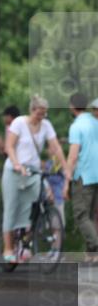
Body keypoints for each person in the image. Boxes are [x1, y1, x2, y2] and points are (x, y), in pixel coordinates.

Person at [0, 95, 70, 263]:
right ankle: (8, 248)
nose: (42, 117)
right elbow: (9, 146)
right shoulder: (19, 123)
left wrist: (66, 168)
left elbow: (56, 147)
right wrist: (17, 164)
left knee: (33, 208)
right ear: (32, 110)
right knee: (12, 207)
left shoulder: (46, 125)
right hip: (14, 170)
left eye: (44, 114)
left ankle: (25, 244)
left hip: (34, 171)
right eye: (39, 113)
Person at [64, 93, 98, 262]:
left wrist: (67, 181)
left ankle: (95, 246)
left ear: (72, 106)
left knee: (80, 215)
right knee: (90, 216)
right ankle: (91, 254)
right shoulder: (95, 121)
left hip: (83, 176)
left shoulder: (76, 126)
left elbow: (72, 156)